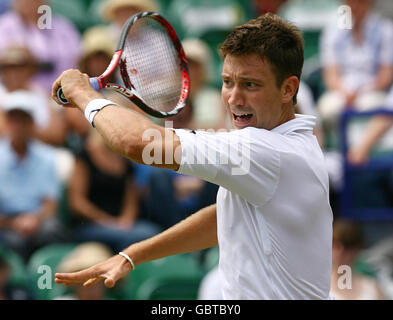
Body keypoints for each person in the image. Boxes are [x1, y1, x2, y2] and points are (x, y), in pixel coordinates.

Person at [53, 13, 333, 300]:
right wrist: (133, 254)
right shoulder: (293, 146)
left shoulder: (268, 152)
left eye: (250, 85)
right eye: (227, 82)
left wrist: (84, 96)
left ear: (288, 89)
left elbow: (136, 143)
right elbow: (226, 218)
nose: (234, 98)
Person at [68, 129, 161, 253]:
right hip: (90, 225)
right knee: (133, 237)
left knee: (153, 232)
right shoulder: (85, 156)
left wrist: (125, 221)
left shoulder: (126, 162)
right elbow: (77, 203)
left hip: (121, 225)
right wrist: (107, 221)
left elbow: (131, 201)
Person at [0, 92, 68, 261]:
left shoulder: (47, 157)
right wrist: (12, 223)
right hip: (5, 224)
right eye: (14, 119)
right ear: (7, 122)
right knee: (12, 241)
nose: (18, 125)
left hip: (38, 222)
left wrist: (33, 220)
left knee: (52, 230)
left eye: (23, 120)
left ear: (32, 123)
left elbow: (50, 204)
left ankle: (49, 281)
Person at [317, 0, 393, 130]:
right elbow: (331, 74)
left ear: (369, 3)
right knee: (328, 108)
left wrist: (362, 92)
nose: (355, 7)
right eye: (350, 2)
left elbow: (386, 74)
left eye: (360, 2)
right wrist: (345, 93)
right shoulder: (332, 31)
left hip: (373, 92)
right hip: (341, 92)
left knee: (369, 104)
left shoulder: (386, 30)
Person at [0, 0, 81, 92]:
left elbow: (78, 60)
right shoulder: (4, 26)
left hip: (60, 92)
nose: (32, 3)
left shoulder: (63, 27)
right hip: (13, 93)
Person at [0, 46, 66, 145]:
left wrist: (22, 131)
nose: (14, 72)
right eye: (9, 67)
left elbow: (57, 134)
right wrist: (34, 131)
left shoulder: (42, 94)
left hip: (43, 153)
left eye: (21, 66)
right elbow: (5, 132)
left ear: (31, 69)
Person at [330, 219, 384, 300]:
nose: (341, 252)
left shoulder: (371, 288)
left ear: (357, 249)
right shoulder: (319, 287)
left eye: (348, 245)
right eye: (335, 245)